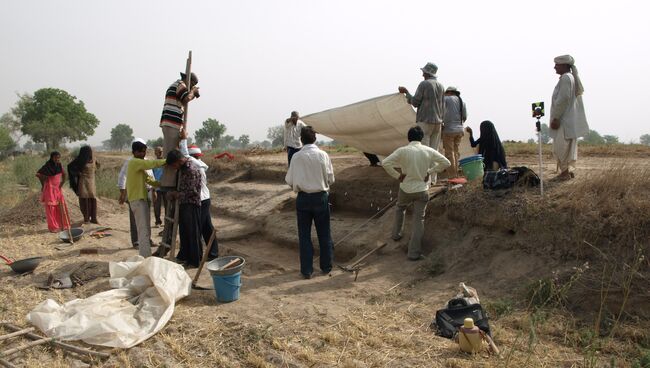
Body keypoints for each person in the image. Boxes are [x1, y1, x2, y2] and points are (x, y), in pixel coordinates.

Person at [382, 126, 450, 261]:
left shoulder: (402, 151)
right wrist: (429, 172)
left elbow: (385, 163)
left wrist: (397, 175)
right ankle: (413, 253)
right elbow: (446, 163)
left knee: (400, 208)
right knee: (419, 220)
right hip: (422, 189)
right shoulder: (428, 150)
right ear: (421, 138)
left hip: (405, 188)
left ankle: (396, 234)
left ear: (409, 138)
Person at [285, 126, 335, 279]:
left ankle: (307, 270)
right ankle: (326, 267)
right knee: (324, 233)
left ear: (301, 140)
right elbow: (331, 179)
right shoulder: (323, 155)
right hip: (320, 197)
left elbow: (290, 180)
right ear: (315, 138)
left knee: (304, 235)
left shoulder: (296, 157)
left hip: (303, 199)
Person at [550, 54, 589, 180]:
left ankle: (565, 172)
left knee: (561, 148)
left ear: (564, 65)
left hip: (563, 121)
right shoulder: (569, 77)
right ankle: (566, 171)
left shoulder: (566, 78)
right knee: (566, 147)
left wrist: (555, 118)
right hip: (567, 120)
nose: (555, 67)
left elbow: (563, 99)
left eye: (557, 64)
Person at [125, 140, 166, 257]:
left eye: (145, 152)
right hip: (137, 200)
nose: (143, 154)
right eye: (141, 152)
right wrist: (168, 160)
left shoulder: (138, 164)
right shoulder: (135, 162)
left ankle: (146, 255)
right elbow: (151, 164)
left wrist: (160, 184)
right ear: (134, 152)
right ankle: (145, 257)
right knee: (143, 231)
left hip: (141, 199)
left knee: (146, 229)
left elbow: (148, 180)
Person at [159, 71, 200, 188]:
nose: (193, 86)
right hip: (171, 124)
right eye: (193, 83)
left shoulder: (178, 85)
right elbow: (186, 98)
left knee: (173, 152)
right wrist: (192, 92)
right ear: (188, 80)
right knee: (171, 155)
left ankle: (171, 181)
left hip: (171, 123)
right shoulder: (180, 85)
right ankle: (169, 183)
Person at [180, 140, 219, 260]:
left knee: (198, 228)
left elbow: (186, 156)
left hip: (200, 199)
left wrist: (183, 140)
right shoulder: (200, 164)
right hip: (205, 198)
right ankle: (213, 253)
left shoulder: (195, 165)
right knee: (207, 227)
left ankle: (196, 255)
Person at [165, 149, 203, 268]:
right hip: (184, 204)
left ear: (179, 160)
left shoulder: (191, 170)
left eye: (174, 165)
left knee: (193, 233)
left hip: (191, 204)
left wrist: (176, 194)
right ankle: (186, 257)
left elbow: (192, 191)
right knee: (185, 233)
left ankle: (194, 260)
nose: (174, 168)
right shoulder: (182, 170)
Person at [398, 62, 445, 149]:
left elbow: (415, 102)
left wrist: (406, 93)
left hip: (425, 120)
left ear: (427, 73)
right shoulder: (441, 86)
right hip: (438, 122)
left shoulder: (424, 84)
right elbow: (443, 105)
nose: (423, 74)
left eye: (424, 72)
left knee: (424, 148)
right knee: (434, 150)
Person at [68, 146, 100, 224]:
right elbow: (70, 166)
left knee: (92, 199)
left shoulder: (93, 159)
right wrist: (78, 173)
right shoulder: (81, 160)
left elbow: (98, 166)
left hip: (91, 182)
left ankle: (93, 218)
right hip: (84, 182)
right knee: (85, 199)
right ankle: (87, 218)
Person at [36, 152, 66, 233]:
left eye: (59, 158)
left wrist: (61, 185)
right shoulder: (47, 166)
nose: (57, 159)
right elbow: (38, 174)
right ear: (52, 157)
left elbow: (65, 174)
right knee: (50, 208)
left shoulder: (59, 165)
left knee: (59, 207)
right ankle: (53, 227)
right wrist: (43, 184)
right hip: (49, 189)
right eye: (56, 158)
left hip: (57, 189)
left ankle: (60, 225)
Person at [442, 86, 467, 178]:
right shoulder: (461, 102)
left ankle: (452, 176)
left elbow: (441, 112)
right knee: (455, 152)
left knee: (449, 153)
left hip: (449, 129)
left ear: (449, 92)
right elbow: (464, 117)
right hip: (460, 130)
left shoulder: (446, 99)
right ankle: (456, 173)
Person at [152, 146, 165, 227]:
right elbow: (151, 175)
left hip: (166, 187)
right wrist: (153, 188)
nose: (160, 152)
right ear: (155, 153)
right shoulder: (153, 163)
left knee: (168, 205)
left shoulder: (165, 162)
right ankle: (158, 221)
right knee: (157, 205)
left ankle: (167, 221)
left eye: (161, 151)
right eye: (158, 151)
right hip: (157, 187)